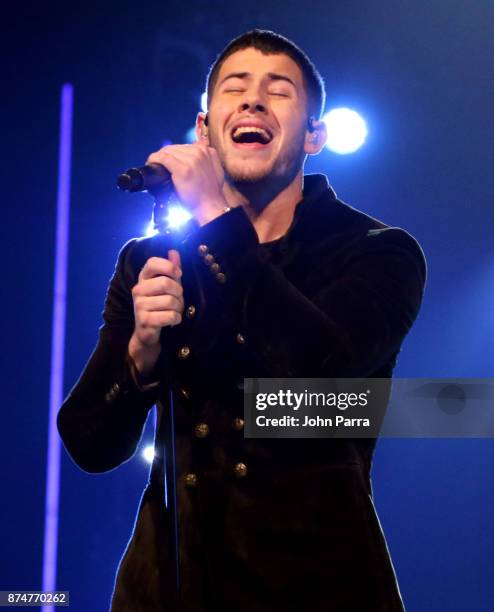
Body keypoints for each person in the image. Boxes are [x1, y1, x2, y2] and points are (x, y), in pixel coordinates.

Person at [57, 29, 427, 612]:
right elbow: (88, 444)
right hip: (168, 589)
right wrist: (140, 355)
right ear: (205, 130)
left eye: (278, 92)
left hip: (318, 589)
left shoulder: (377, 251)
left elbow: (317, 376)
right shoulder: (148, 262)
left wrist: (213, 212)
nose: (253, 100)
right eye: (235, 88)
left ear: (313, 136)